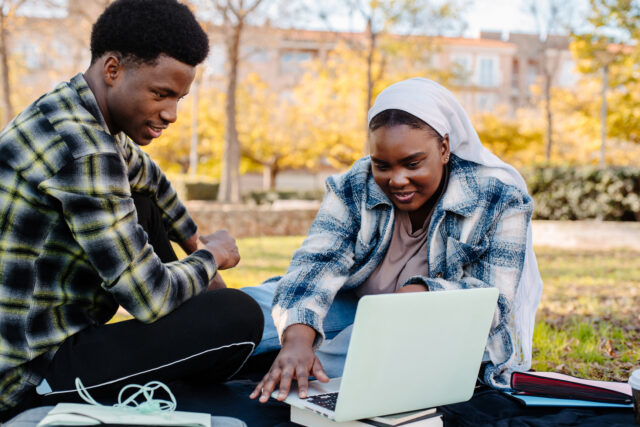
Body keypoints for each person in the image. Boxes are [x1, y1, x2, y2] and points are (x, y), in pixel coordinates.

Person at [0, 0, 263, 421]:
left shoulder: (78, 110)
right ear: (113, 70)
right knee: (239, 316)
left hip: (48, 339)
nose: (172, 113)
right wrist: (213, 257)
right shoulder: (84, 149)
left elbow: (152, 182)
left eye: (179, 97)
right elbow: (149, 296)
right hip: (28, 374)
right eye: (161, 94)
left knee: (144, 203)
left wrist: (194, 240)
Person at [245, 77, 543, 403]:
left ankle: (277, 369)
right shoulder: (354, 184)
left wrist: (420, 296)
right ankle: (273, 355)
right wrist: (298, 338)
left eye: (413, 163)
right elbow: (317, 262)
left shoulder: (498, 197)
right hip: (354, 305)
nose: (397, 180)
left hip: (432, 332)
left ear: (444, 148)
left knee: (346, 357)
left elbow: (493, 303)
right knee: (248, 307)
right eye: (381, 165)